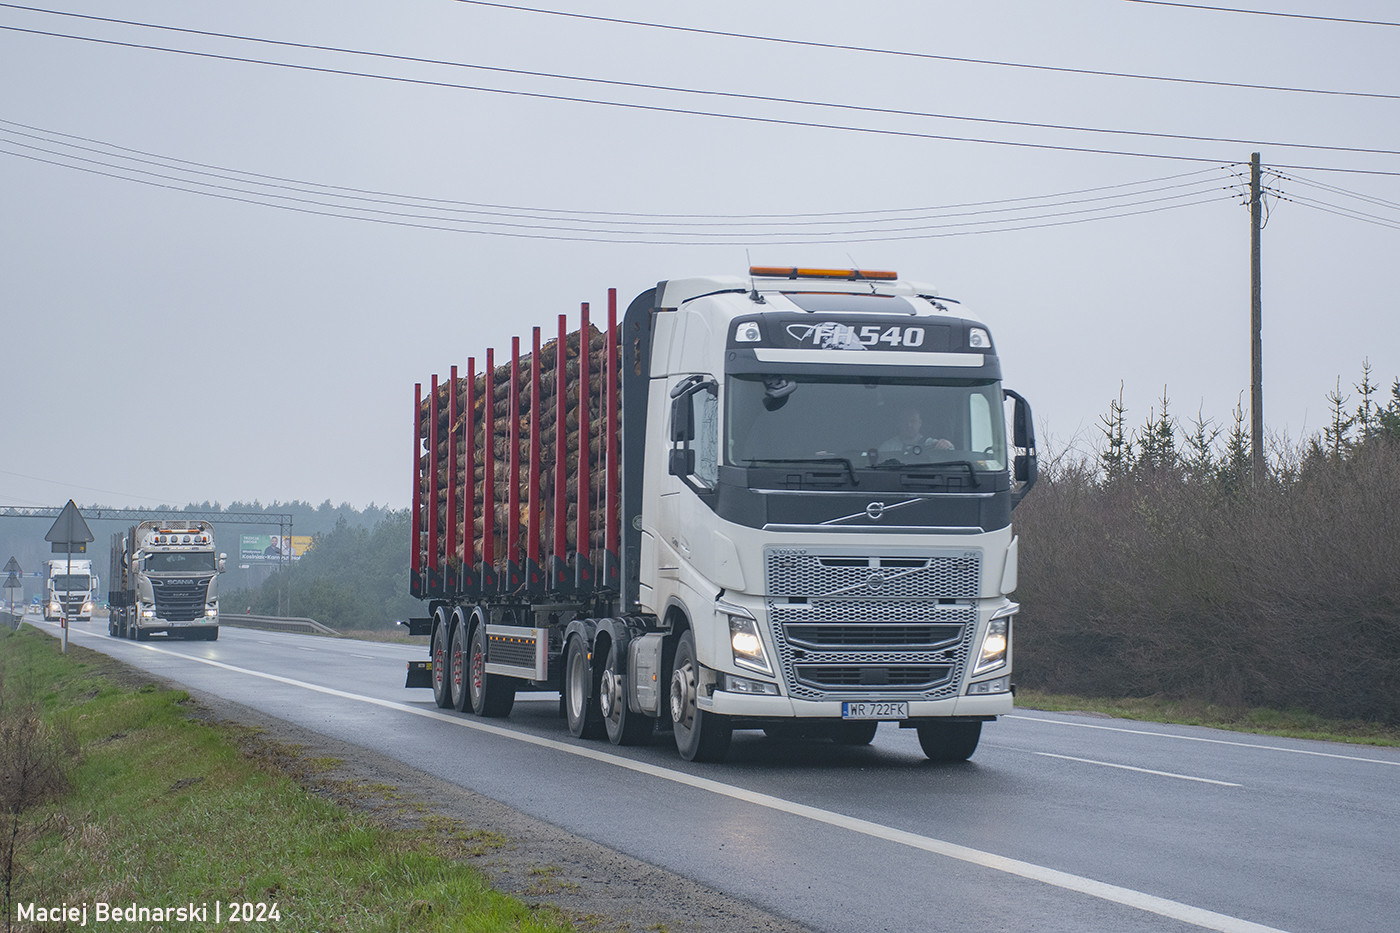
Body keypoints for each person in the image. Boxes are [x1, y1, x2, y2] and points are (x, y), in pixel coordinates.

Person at [878, 408, 953, 458]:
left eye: (913, 421)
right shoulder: (888, 447)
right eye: (905, 421)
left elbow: (952, 456)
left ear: (920, 423)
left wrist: (947, 445)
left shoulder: (932, 444)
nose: (909, 425)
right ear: (898, 424)